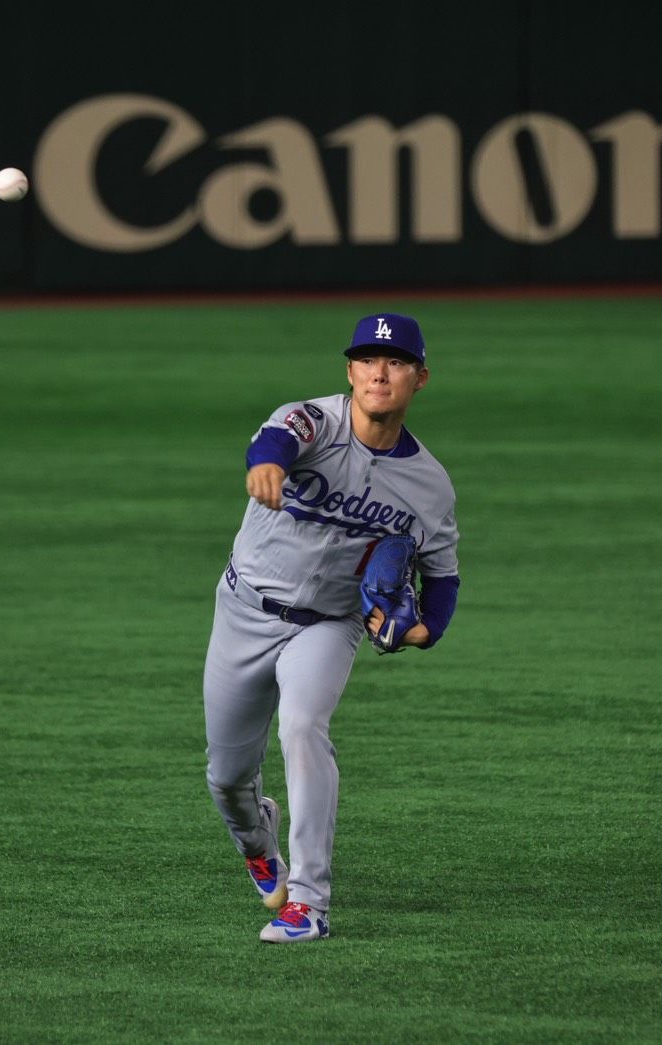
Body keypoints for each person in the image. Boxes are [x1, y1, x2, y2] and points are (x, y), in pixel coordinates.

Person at [202, 313, 461, 943]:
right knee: (227, 778)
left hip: (328, 625)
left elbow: (443, 580)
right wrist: (266, 465)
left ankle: (310, 903)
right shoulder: (314, 421)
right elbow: (276, 441)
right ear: (349, 371)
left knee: (301, 727)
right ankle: (257, 839)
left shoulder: (429, 485)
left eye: (396, 361)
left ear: (419, 378)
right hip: (244, 609)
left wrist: (424, 631)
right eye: (368, 359)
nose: (380, 371)